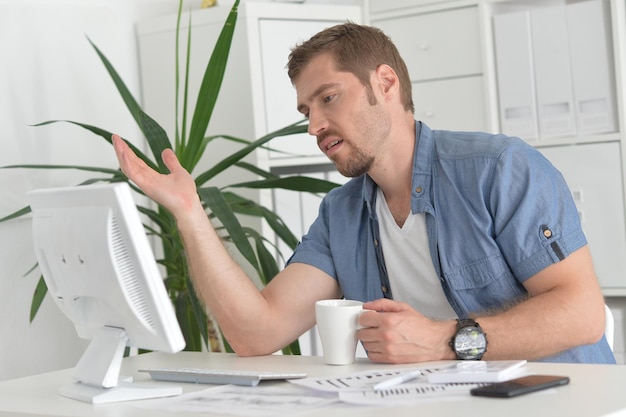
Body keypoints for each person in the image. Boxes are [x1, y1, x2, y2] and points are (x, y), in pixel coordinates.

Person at [112, 22, 615, 364]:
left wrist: (444, 340)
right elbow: (255, 332)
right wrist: (188, 212)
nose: (314, 126)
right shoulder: (343, 214)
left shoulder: (498, 169)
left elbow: (583, 312)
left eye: (328, 98)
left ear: (386, 82)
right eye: (306, 111)